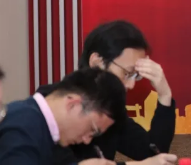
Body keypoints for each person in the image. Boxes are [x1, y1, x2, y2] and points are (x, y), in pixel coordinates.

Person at [38, 20, 177, 165]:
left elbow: (153, 154)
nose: (131, 85)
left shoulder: (110, 110)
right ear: (97, 62)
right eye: (127, 73)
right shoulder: (49, 103)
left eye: (136, 76)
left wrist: (165, 96)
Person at [0, 67, 127, 165]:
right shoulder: (23, 125)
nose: (87, 140)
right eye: (91, 129)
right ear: (73, 105)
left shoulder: (44, 128)